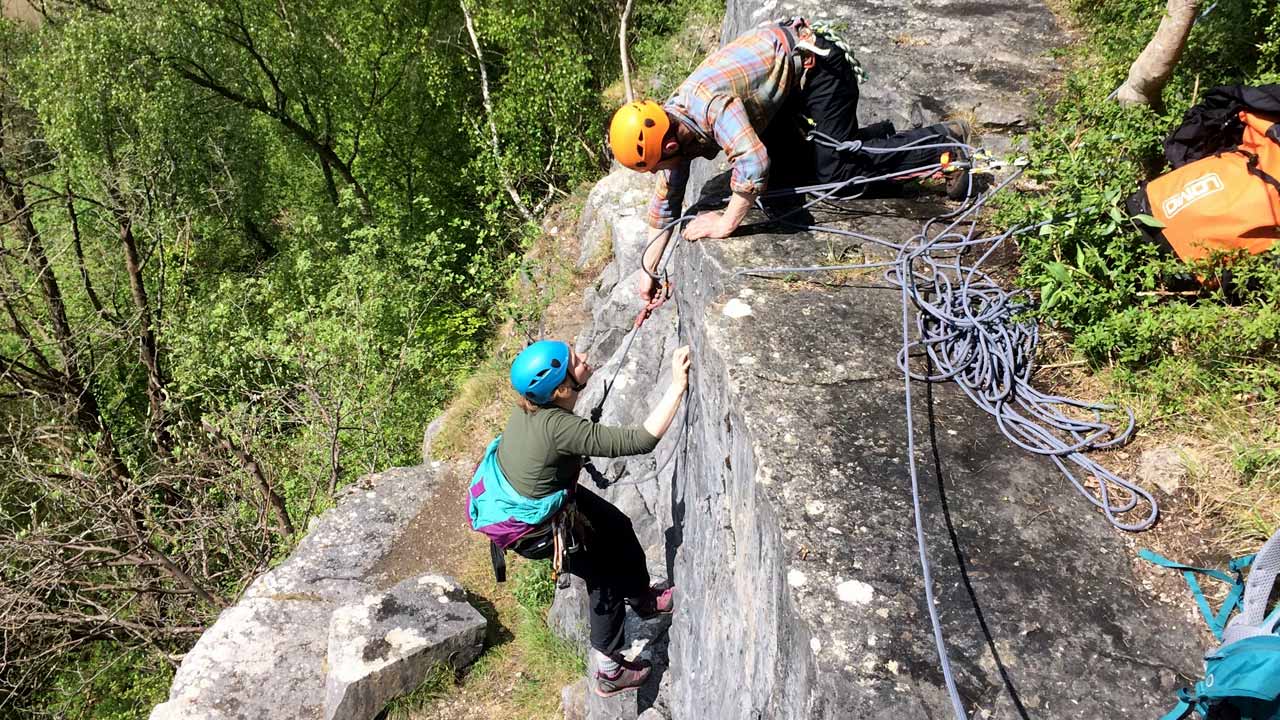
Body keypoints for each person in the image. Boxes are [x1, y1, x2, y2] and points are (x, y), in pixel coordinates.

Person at [609, 17, 970, 301]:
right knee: (786, 181)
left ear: (668, 147)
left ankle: (942, 146)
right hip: (780, 97)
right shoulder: (672, 124)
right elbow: (666, 203)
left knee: (837, 176)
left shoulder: (708, 107)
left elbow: (753, 165)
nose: (661, 172)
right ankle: (868, 141)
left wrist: (723, 224)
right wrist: (649, 270)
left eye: (658, 165)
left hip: (818, 69)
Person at [467, 339, 692, 696]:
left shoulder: (531, 408)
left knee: (617, 526)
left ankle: (643, 599)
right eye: (575, 359)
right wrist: (678, 385)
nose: (584, 357)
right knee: (604, 576)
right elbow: (643, 440)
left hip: (543, 500)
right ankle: (609, 669)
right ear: (559, 389)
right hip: (536, 529)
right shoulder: (559, 428)